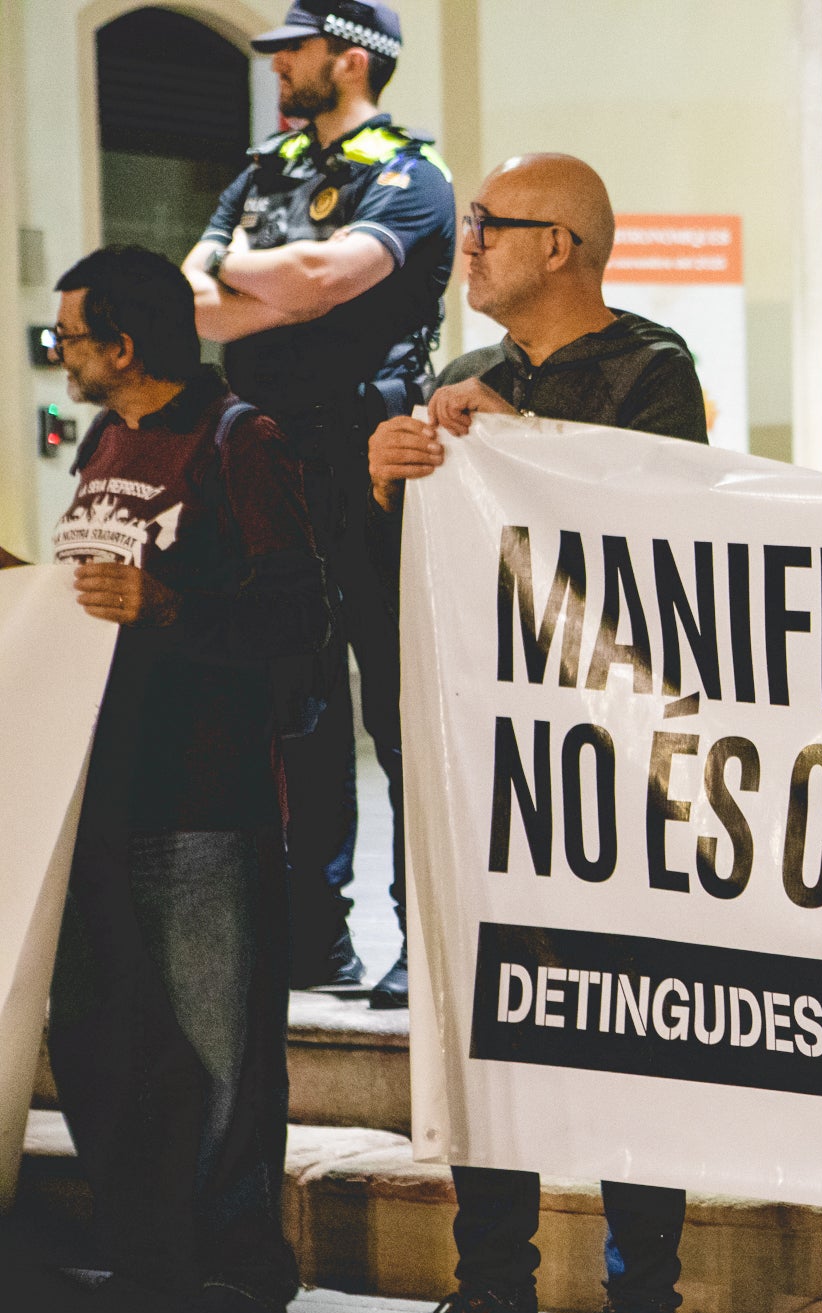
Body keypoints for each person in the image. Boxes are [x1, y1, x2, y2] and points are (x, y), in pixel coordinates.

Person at [354, 154, 709, 1313]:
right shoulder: (458, 377)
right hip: (481, 753)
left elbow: (662, 528)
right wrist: (391, 470)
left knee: (624, 1019)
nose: (471, 245)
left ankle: (640, 1312)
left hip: (607, 763)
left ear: (562, 245)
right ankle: (493, 1292)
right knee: (484, 1015)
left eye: (492, 227)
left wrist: (519, 443)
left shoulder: (652, 369)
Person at [31, 248, 328, 1313]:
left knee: (217, 1057)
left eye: (69, 335)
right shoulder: (109, 442)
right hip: (101, 800)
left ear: (126, 346)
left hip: (204, 800)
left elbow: (297, 625)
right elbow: (86, 601)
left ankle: (242, 1277)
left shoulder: (236, 440)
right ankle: (151, 1262)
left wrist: (168, 608)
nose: (58, 352)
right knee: (106, 1047)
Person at [185, 1, 456, 1007]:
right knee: (289, 705)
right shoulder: (264, 169)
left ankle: (420, 939)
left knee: (395, 700)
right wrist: (272, 280)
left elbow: (320, 276)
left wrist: (251, 273)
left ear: (348, 61)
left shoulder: (409, 176)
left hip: (367, 452)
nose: (276, 68)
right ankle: (312, 936)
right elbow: (192, 298)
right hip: (264, 453)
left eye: (290, 50)